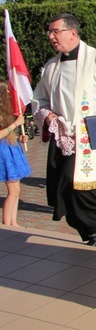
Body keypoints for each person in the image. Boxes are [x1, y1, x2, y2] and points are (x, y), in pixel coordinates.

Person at [32, 13, 96, 247]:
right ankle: (90, 229)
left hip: (91, 134)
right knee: (65, 186)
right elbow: (39, 99)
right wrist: (47, 115)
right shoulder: (51, 66)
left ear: (72, 33)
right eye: (49, 32)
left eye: (55, 31)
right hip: (64, 135)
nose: (51, 36)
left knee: (89, 186)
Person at [0, 83, 31, 226]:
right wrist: (15, 124)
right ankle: (7, 224)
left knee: (16, 191)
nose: (9, 92)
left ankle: (13, 222)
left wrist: (19, 138)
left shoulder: (6, 113)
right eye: (6, 90)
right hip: (4, 153)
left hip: (11, 149)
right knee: (13, 190)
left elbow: (8, 134)